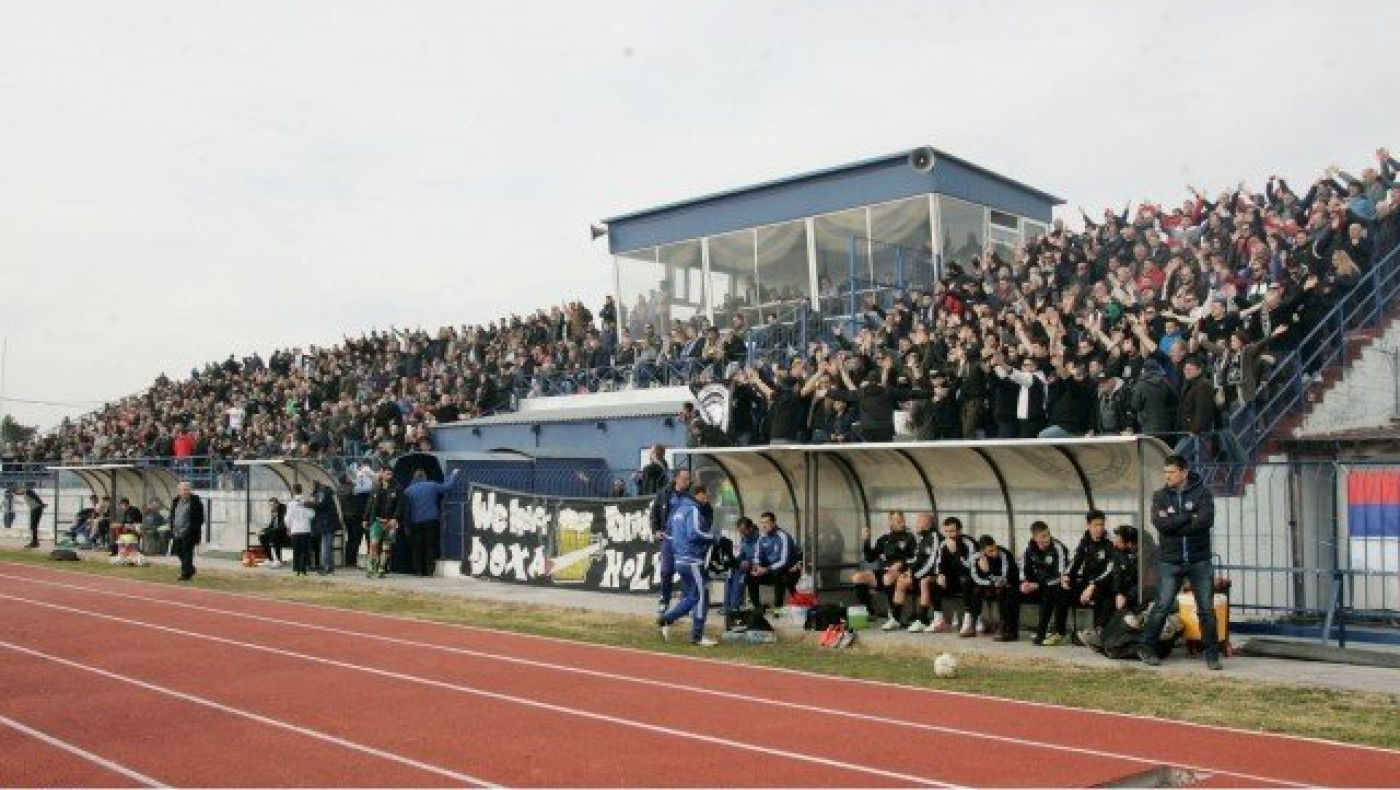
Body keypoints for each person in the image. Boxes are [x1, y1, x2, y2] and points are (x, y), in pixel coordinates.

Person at [1139, 454, 1223, 670]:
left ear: (1184, 472)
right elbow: (1161, 525)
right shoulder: (1159, 496)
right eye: (1165, 472)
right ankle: (1146, 648)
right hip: (1170, 561)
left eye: (1172, 472)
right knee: (1162, 607)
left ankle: (1212, 654)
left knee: (1206, 609)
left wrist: (1175, 522)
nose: (1167, 476)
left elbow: (1205, 522)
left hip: (1199, 561)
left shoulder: (1203, 493)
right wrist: (1187, 516)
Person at [657, 485, 718, 647]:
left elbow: (670, 533)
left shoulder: (678, 511)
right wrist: (713, 537)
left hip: (680, 559)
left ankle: (668, 619)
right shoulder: (693, 509)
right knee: (701, 596)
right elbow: (694, 533)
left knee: (693, 595)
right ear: (698, 495)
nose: (707, 498)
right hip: (692, 560)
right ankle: (695, 635)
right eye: (705, 494)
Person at [851, 511, 917, 629]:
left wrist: (901, 563)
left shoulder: (910, 537)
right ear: (890, 522)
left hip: (903, 573)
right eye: (898, 521)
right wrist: (865, 541)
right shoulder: (884, 539)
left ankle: (894, 614)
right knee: (857, 577)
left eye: (903, 520)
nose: (902, 523)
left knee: (887, 578)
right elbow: (870, 558)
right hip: (886, 572)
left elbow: (916, 558)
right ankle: (869, 612)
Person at [399, 467, 461, 577]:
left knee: (417, 547)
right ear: (425, 477)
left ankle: (418, 570)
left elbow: (406, 509)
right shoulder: (432, 485)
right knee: (431, 546)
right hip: (431, 520)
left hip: (415, 522)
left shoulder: (409, 490)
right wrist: (453, 475)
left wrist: (406, 525)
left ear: (414, 478)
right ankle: (429, 570)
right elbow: (448, 487)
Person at [921, 516, 977, 634]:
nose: (949, 534)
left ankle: (968, 621)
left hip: (968, 579)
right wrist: (940, 575)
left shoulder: (969, 543)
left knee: (965, 579)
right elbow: (938, 564)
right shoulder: (943, 544)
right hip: (951, 581)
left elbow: (970, 568)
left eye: (952, 531)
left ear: (959, 530)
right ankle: (939, 620)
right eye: (946, 531)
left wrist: (955, 552)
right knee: (932, 581)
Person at [1020, 521, 1072, 646]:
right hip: (1038, 585)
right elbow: (1024, 570)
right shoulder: (1029, 549)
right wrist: (1024, 583)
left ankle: (1055, 633)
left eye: (1048, 534)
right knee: (1010, 590)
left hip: (1056, 585)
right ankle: (1008, 629)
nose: (1047, 538)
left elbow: (1060, 576)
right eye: (1043, 536)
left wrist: (1038, 585)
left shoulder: (1058, 548)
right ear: (1035, 538)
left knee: (1055, 592)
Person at [1064, 509, 1116, 631]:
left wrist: (1092, 586)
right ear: (1088, 526)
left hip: (1103, 583)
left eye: (1101, 525)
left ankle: (1098, 632)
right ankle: (1063, 631)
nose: (1099, 528)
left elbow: (1110, 570)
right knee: (1060, 591)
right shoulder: (1085, 541)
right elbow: (1075, 561)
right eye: (1096, 525)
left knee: (1103, 597)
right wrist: (1066, 576)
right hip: (1087, 581)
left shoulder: (1110, 543)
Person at [650, 467, 691, 615]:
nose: (687, 481)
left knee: (685, 572)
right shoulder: (664, 493)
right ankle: (664, 600)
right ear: (676, 479)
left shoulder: (691, 496)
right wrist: (655, 530)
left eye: (689, 478)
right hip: (668, 538)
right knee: (666, 572)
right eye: (685, 478)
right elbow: (654, 513)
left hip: (685, 541)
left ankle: (686, 603)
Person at [967, 535, 1020, 641]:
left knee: (1002, 591)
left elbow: (1004, 578)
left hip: (1008, 583)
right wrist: (990, 583)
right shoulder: (975, 557)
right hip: (990, 584)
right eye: (990, 551)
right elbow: (975, 578)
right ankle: (973, 623)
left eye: (995, 549)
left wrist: (987, 571)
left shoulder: (1004, 554)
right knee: (976, 590)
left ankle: (1003, 625)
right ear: (983, 551)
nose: (994, 553)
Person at [748, 511, 802, 612]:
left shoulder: (783, 536)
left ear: (773, 523)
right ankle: (757, 608)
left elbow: (784, 561)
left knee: (779, 575)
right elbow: (757, 556)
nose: (764, 525)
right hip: (770, 570)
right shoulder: (762, 537)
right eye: (762, 523)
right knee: (751, 576)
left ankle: (778, 608)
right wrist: (757, 567)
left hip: (788, 570)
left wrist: (766, 569)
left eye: (767, 522)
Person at [897, 514, 939, 632]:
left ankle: (922, 620)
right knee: (901, 580)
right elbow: (916, 559)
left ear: (926, 524)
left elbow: (932, 562)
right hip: (920, 573)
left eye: (918, 522)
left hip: (934, 574)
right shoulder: (921, 538)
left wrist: (916, 575)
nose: (916, 525)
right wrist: (908, 569)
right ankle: (896, 618)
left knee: (923, 582)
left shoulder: (934, 537)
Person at [364, 467, 402, 578]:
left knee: (386, 547)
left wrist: (395, 518)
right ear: (382, 474)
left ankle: (381, 568)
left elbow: (400, 505)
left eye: (391, 474)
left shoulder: (397, 488)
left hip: (390, 523)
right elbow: (369, 504)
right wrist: (365, 518)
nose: (389, 476)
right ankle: (371, 566)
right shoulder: (376, 487)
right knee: (374, 544)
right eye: (387, 474)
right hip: (376, 521)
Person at [721, 516, 759, 620]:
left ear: (750, 528)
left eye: (743, 531)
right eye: (739, 531)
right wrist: (734, 561)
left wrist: (750, 562)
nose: (741, 533)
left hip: (757, 564)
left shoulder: (760, 538)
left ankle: (734, 606)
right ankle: (726, 605)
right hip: (745, 563)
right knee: (731, 571)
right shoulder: (744, 538)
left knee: (739, 573)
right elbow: (742, 553)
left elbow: (762, 556)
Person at [168, 481, 204, 581]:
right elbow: (173, 515)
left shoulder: (196, 502)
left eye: (187, 489)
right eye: (183, 490)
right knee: (178, 551)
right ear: (179, 491)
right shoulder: (176, 501)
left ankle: (186, 574)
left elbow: (200, 518)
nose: (185, 492)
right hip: (176, 531)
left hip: (189, 532)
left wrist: (192, 530)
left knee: (187, 553)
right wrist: (171, 524)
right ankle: (190, 569)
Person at [310, 481, 339, 576]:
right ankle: (330, 568)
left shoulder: (322, 493)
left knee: (326, 546)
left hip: (327, 523)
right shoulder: (325, 492)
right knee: (327, 546)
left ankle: (326, 567)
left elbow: (321, 505)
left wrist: (309, 504)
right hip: (327, 523)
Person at [285, 484, 314, 577]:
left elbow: (288, 518)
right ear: (301, 490)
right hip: (305, 528)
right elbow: (312, 515)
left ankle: (296, 570)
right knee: (304, 551)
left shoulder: (291, 503)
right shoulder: (306, 502)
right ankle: (303, 570)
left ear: (293, 491)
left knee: (296, 550)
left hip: (294, 529)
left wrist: (288, 527)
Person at [258, 497, 288, 568]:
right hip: (275, 531)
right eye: (270, 505)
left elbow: (284, 523)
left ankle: (278, 560)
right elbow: (272, 524)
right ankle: (270, 559)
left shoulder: (284, 509)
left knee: (274, 534)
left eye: (273, 505)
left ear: (277, 504)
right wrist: (264, 530)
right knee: (262, 536)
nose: (271, 507)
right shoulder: (273, 510)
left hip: (285, 532)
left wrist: (274, 530)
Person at [23, 483, 46, 548]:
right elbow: (36, 497)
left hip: (36, 509)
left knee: (33, 526)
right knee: (33, 526)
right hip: (35, 508)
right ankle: (35, 542)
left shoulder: (28, 491)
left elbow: (36, 497)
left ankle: (34, 542)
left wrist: (42, 504)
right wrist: (42, 504)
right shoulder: (26, 492)